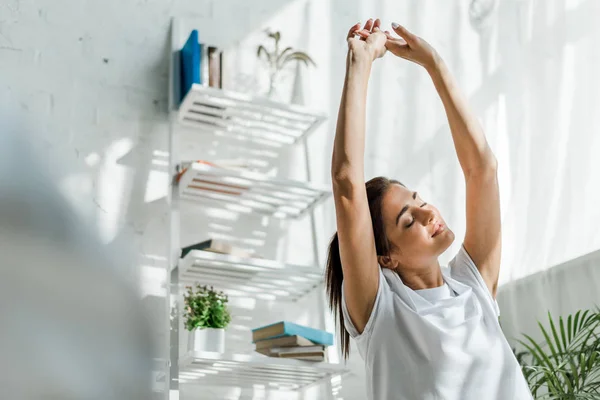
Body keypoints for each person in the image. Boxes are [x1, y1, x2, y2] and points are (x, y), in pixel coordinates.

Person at [326, 19, 533, 400]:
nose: (427, 213)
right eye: (408, 220)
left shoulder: (472, 288)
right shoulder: (381, 311)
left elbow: (482, 169)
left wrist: (434, 64)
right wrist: (360, 63)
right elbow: (345, 185)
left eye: (419, 201)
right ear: (386, 258)